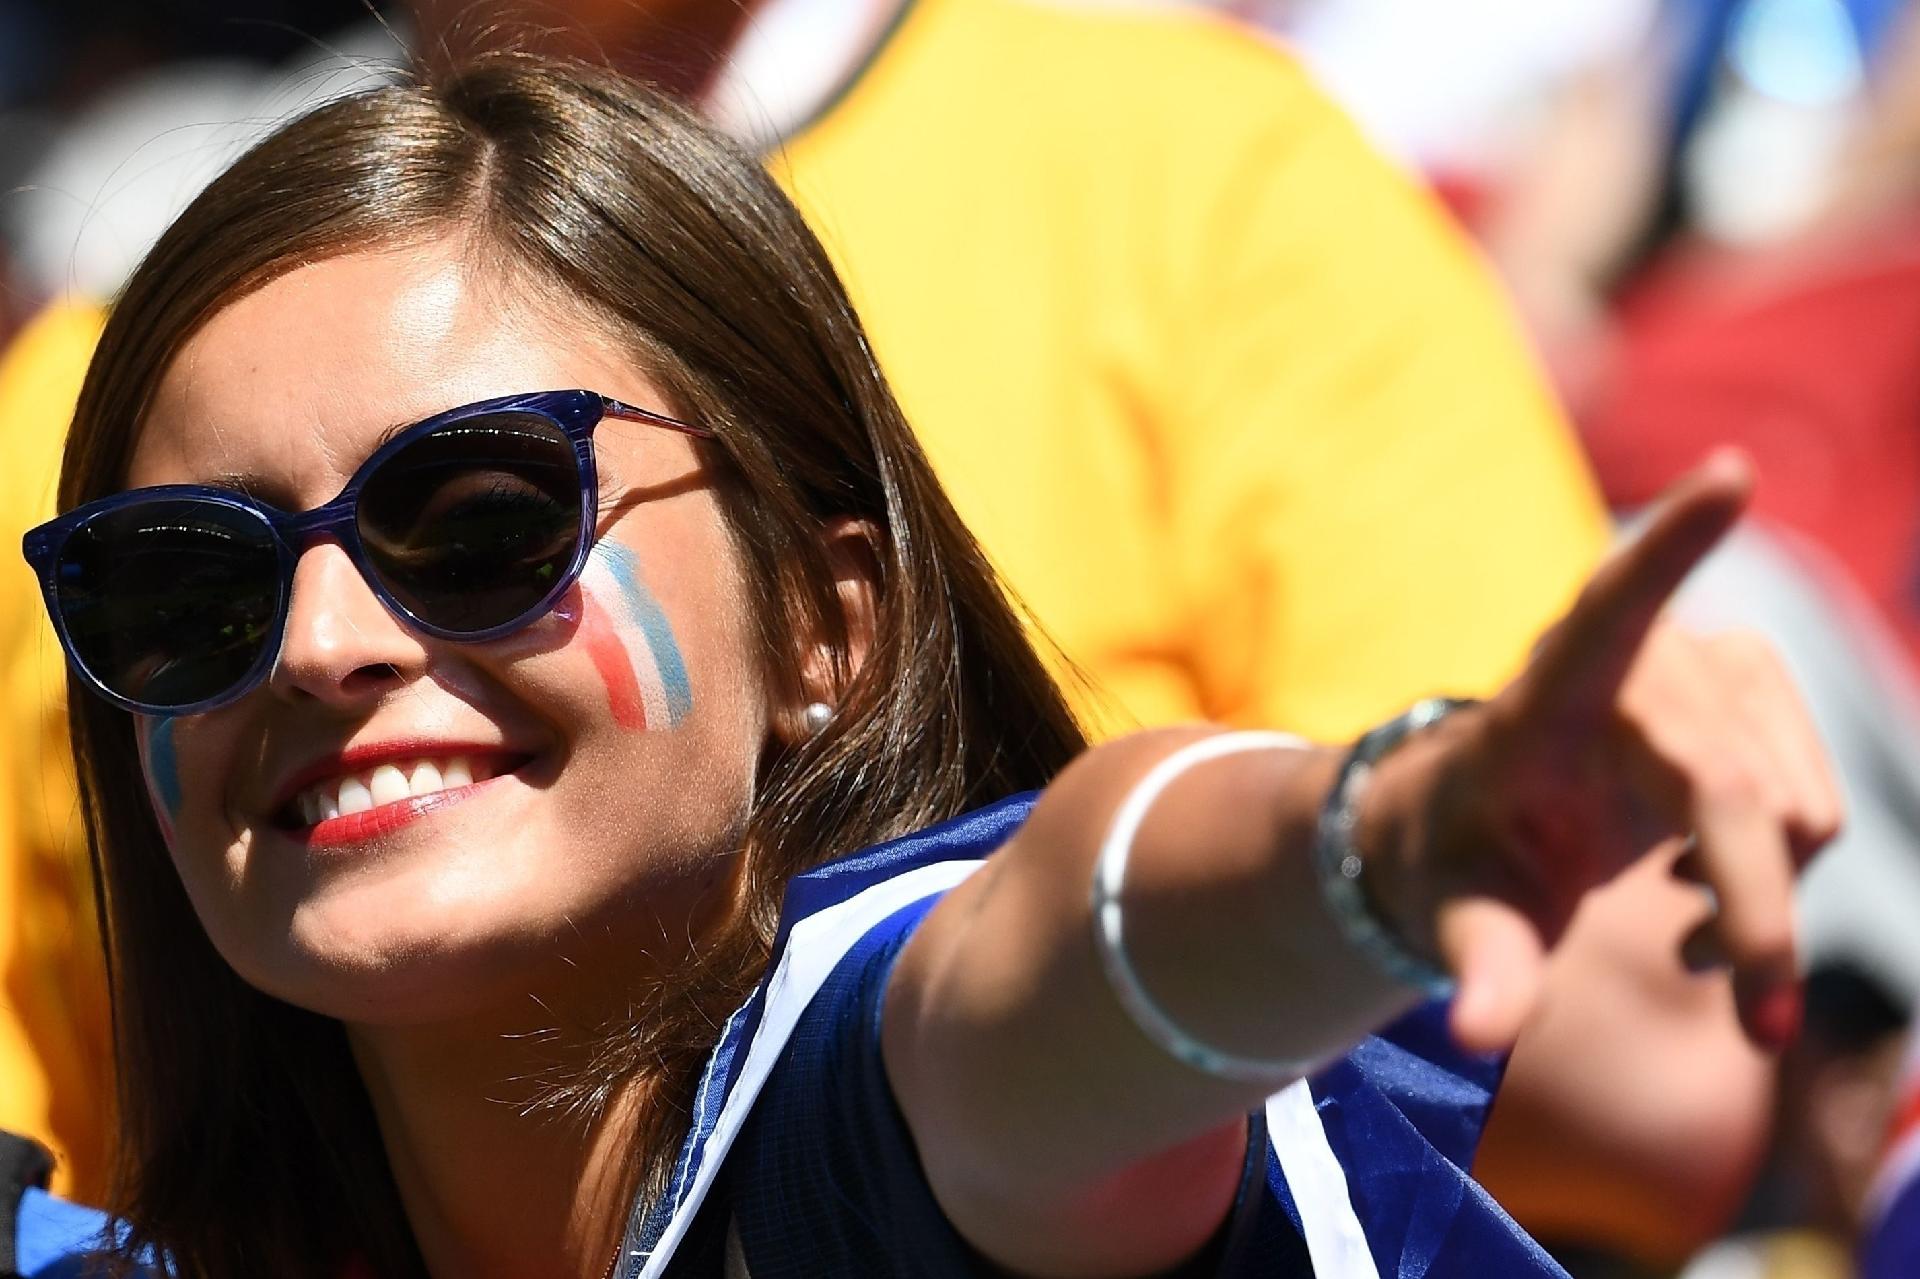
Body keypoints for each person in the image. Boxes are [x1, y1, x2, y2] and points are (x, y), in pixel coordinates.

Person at [10, 54, 1834, 1278]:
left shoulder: (871, 1122)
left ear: (829, 623)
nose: (323, 645)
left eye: (480, 523)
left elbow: (1072, 955)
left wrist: (1383, 829)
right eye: (183, 588)